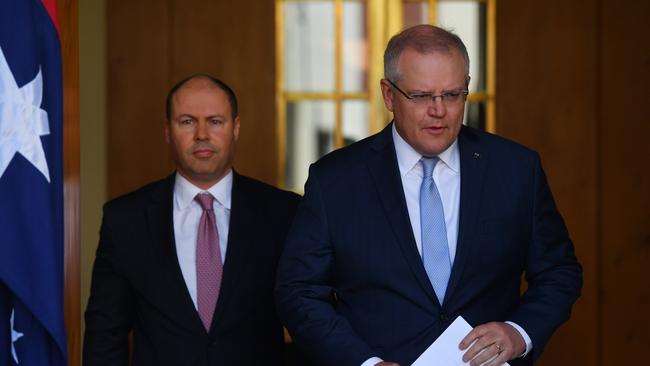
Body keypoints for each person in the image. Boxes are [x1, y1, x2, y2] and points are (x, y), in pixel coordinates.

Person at [275, 24, 582, 366]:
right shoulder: (334, 180)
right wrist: (363, 362)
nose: (439, 110)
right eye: (421, 96)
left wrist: (519, 332)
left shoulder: (516, 169)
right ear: (388, 95)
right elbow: (299, 291)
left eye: (452, 95)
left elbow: (559, 271)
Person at [83, 74, 300, 365]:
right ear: (167, 131)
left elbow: (310, 319)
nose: (201, 134)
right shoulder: (124, 220)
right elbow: (105, 334)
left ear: (235, 128)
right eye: (187, 121)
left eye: (215, 121)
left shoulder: (284, 213)